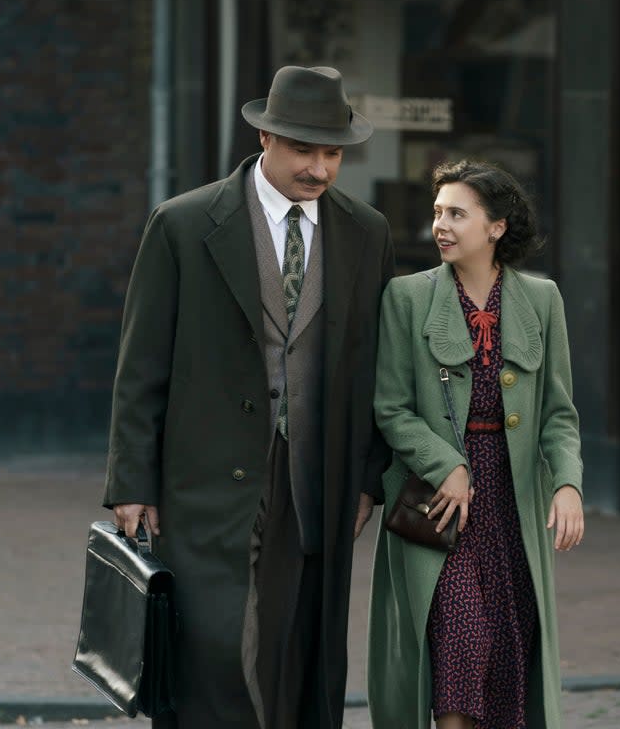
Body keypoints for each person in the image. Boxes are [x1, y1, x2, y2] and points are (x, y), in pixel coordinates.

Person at [103, 65, 394, 729]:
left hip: (315, 478)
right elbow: (141, 364)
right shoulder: (183, 225)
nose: (319, 168)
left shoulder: (366, 232)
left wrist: (369, 480)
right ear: (264, 136)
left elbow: (377, 365)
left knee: (295, 645)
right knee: (215, 646)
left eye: (332, 153)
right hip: (205, 476)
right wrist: (131, 481)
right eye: (303, 149)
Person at [367, 159, 585, 729]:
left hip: (514, 505)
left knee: (507, 665)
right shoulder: (406, 298)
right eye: (437, 213)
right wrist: (447, 466)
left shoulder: (542, 300)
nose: (440, 225)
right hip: (440, 508)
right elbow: (391, 407)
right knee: (457, 659)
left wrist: (566, 484)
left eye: (457, 214)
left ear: (496, 227)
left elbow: (558, 415)